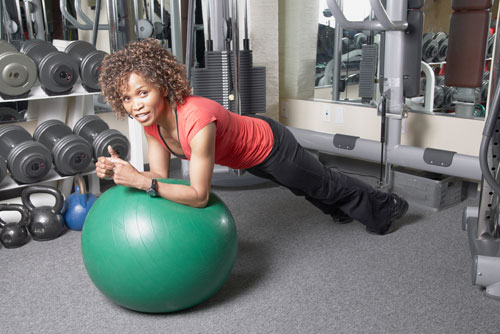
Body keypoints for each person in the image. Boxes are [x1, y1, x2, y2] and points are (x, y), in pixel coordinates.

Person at [95, 38, 408, 235]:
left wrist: (139, 181)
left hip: (270, 146)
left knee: (321, 182)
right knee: (299, 186)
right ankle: (341, 210)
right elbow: (161, 176)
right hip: (246, 155)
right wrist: (128, 172)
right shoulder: (151, 123)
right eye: (126, 99)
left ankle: (386, 207)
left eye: (142, 93)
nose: (135, 106)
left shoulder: (197, 119)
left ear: (161, 87)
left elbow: (199, 196)